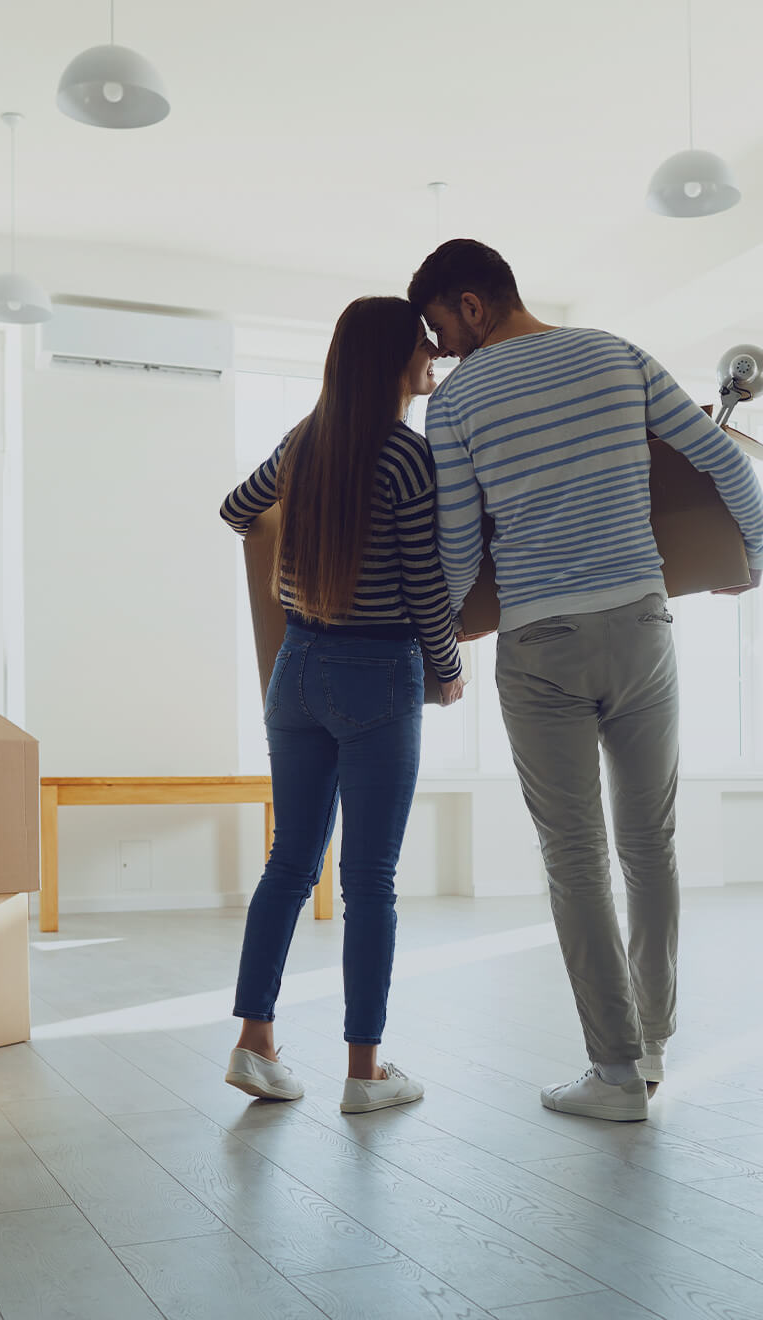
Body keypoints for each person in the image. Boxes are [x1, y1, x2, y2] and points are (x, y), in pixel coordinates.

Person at [408, 240, 763, 1122]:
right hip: (643, 628)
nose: (442, 349)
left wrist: (439, 648)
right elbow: (726, 461)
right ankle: (648, 1047)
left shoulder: (455, 403)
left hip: (542, 644)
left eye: (442, 327)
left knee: (576, 862)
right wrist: (749, 557)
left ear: (474, 303)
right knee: (652, 844)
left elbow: (458, 546)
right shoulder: (619, 353)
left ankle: (612, 1075)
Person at [220, 295, 464, 1112]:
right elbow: (427, 585)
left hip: (296, 668)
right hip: (378, 674)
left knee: (290, 863)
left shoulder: (304, 443)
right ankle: (365, 1075)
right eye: (423, 345)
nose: (433, 354)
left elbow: (236, 509)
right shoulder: (405, 455)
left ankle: (255, 1045)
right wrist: (448, 666)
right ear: (394, 359)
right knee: (369, 880)